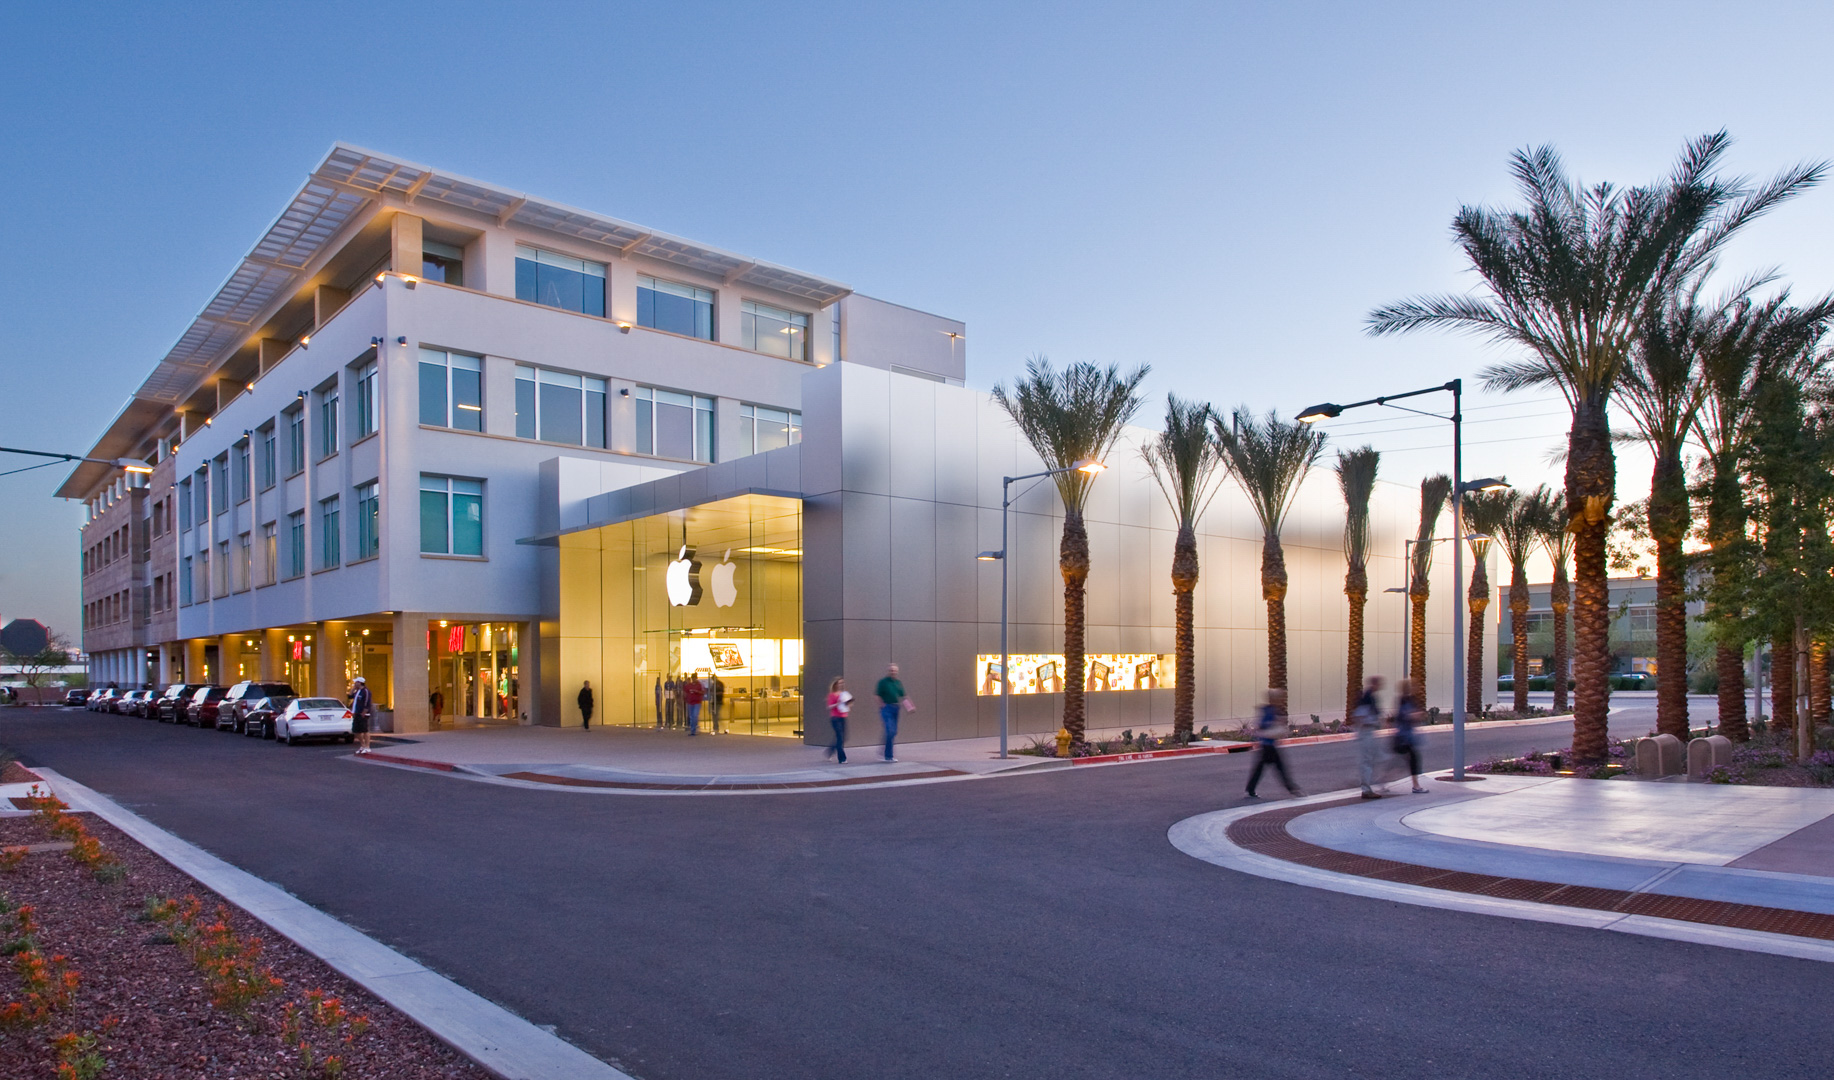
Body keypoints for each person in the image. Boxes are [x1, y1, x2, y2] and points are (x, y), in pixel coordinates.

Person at [1244, 688, 1303, 799]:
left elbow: (1260, 725)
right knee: (1280, 768)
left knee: (1260, 769)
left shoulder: (1267, 710)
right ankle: (1293, 789)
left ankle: (1250, 790)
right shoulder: (1272, 711)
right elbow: (1265, 726)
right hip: (1269, 746)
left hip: (1266, 745)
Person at [1351, 675, 1385, 799]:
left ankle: (1367, 784)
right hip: (1366, 732)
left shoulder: (1370, 696)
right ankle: (1366, 788)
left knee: (1372, 758)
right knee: (1367, 760)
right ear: (1375, 684)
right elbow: (1360, 716)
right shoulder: (1368, 697)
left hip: (1369, 732)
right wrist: (1373, 722)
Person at [1392, 678, 1427, 793]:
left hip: (1407, 736)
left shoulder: (1409, 699)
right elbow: (1406, 715)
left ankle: (1383, 781)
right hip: (1404, 737)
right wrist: (1417, 715)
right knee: (1413, 759)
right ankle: (1416, 786)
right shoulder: (1404, 700)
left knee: (1407, 760)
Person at [874, 664, 911, 762]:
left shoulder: (898, 683)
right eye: (891, 670)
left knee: (893, 732)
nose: (893, 672)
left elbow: (903, 696)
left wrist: (909, 706)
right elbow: (877, 695)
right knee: (890, 730)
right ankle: (888, 756)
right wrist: (882, 705)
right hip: (887, 708)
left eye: (894, 670)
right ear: (888, 671)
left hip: (896, 708)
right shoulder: (883, 682)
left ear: (897, 672)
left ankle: (883, 750)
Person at [825, 676, 853, 762]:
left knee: (843, 737)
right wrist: (837, 704)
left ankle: (830, 750)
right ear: (836, 684)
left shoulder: (844, 694)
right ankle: (842, 758)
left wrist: (848, 704)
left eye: (842, 683)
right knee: (840, 737)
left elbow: (849, 703)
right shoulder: (832, 695)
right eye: (839, 683)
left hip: (843, 717)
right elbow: (829, 707)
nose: (841, 685)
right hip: (835, 718)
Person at [350, 676, 374, 755]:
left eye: (356, 682)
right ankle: (362, 745)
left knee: (365, 730)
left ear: (359, 683)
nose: (354, 684)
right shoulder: (357, 692)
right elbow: (350, 696)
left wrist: (364, 712)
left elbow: (367, 702)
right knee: (356, 731)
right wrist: (353, 689)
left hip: (363, 714)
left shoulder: (365, 691)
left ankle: (367, 747)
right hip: (356, 713)